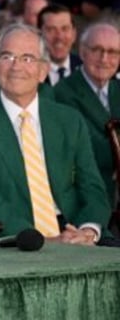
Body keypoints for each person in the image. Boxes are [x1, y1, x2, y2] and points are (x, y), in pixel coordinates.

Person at [0, 23, 110, 243]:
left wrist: (88, 230)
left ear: (43, 71)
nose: (16, 67)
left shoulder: (69, 120)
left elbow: (93, 187)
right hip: (10, 239)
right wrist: (45, 240)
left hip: (74, 231)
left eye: (27, 58)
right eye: (7, 57)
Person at [53, 22, 120, 206]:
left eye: (113, 52)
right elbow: (87, 147)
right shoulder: (63, 93)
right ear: (82, 52)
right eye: (97, 50)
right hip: (90, 198)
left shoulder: (118, 89)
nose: (104, 59)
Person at [37, 3, 80, 85]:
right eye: (51, 30)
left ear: (74, 34)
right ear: (39, 34)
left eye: (65, 29)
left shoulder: (87, 70)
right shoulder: (30, 72)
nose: (59, 37)